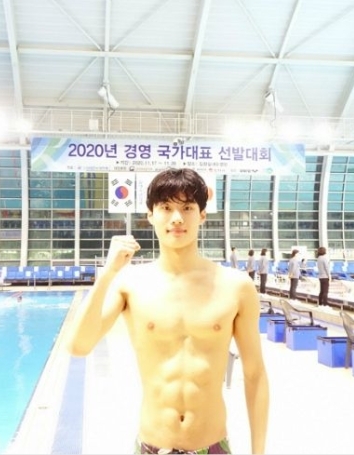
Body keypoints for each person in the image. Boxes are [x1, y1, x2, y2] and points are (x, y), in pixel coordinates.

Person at [65, 168, 269, 454]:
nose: (177, 218)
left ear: (202, 215)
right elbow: (78, 346)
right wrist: (107, 274)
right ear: (150, 215)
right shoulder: (130, 283)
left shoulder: (236, 286)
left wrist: (259, 452)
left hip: (213, 445)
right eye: (166, 207)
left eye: (187, 208)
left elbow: (255, 374)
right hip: (152, 445)